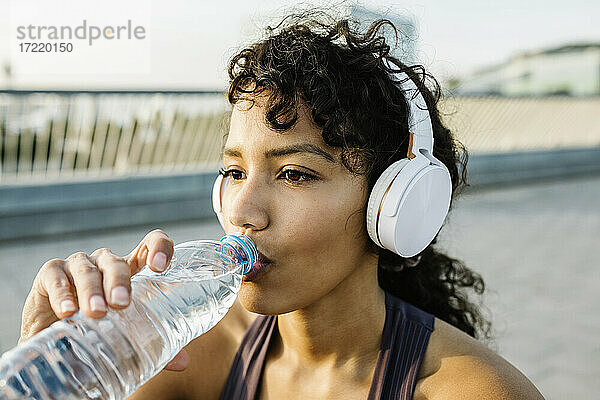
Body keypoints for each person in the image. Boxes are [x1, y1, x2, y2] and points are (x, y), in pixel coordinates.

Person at [18, 12, 545, 399]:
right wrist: (55, 365)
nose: (244, 210)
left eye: (294, 173)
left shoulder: (474, 391)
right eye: (235, 172)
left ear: (393, 209)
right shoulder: (187, 356)